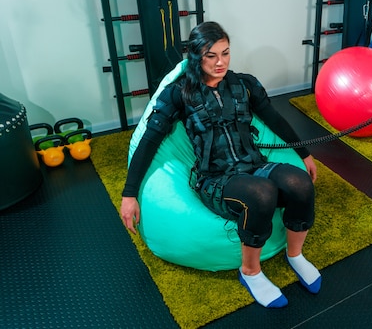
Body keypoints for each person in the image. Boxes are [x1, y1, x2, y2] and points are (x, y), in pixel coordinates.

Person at [120, 21, 320, 308]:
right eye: (210, 55)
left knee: (299, 182)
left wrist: (304, 154)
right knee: (261, 193)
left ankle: (295, 254)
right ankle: (250, 272)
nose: (220, 62)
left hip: (254, 164)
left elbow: (274, 118)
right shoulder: (179, 94)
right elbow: (149, 140)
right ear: (195, 56)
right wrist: (129, 194)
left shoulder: (244, 84)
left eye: (225, 53)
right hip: (216, 179)